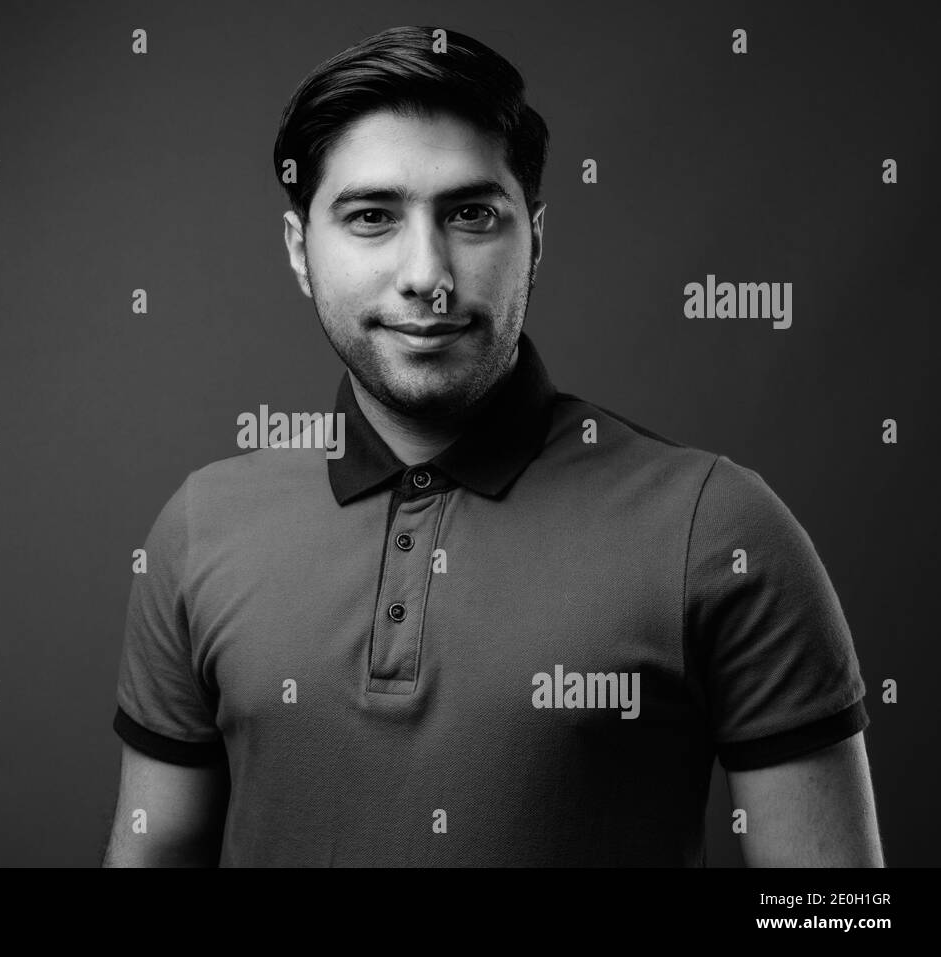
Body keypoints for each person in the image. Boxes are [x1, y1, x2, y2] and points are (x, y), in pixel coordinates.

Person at [103, 25, 884, 867]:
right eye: (371, 217)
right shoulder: (200, 526)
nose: (426, 272)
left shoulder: (720, 528)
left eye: (472, 214)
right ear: (300, 251)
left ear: (535, 240)